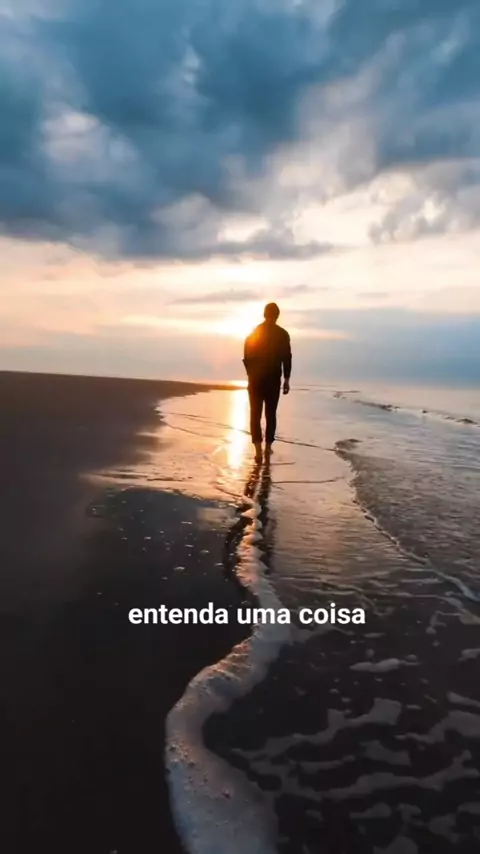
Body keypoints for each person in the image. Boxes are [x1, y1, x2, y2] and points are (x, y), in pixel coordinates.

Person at [243, 303, 291, 462]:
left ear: (265, 314)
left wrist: (250, 374)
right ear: (277, 316)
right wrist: (287, 379)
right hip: (273, 380)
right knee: (270, 414)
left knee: (255, 413)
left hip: (256, 380)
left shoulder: (254, 332)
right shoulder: (282, 334)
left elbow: (247, 356)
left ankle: (258, 450)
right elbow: (287, 358)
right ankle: (268, 447)